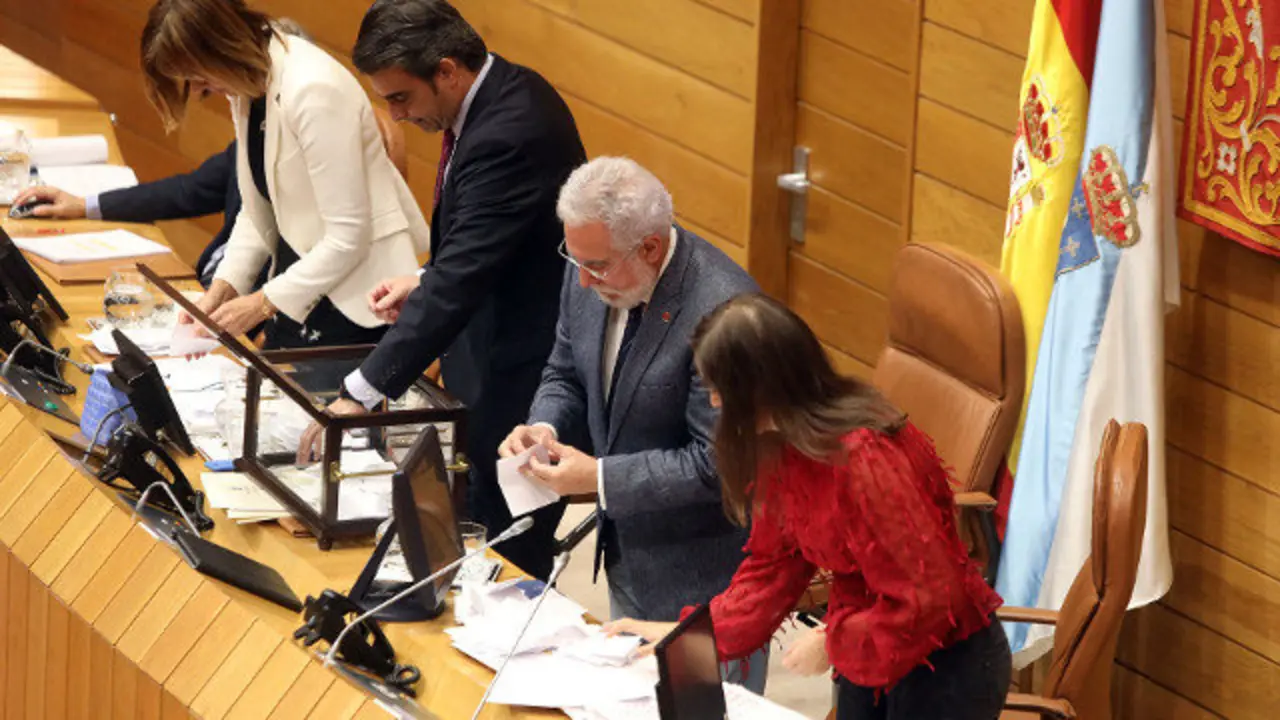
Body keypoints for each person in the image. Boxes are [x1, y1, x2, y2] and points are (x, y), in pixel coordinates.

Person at [607, 294, 1013, 720]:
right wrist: (689, 636)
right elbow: (770, 570)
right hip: (871, 648)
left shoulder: (866, 459)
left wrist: (833, 643)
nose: (714, 403)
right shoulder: (782, 449)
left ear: (760, 387)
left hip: (944, 666)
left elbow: (928, 597)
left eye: (719, 389)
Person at [296, 0, 585, 580]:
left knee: (504, 551)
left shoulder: (511, 130)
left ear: (447, 71)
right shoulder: (502, 94)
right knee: (471, 528)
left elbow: (462, 278)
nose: (396, 116)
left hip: (522, 374)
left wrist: (359, 393)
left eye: (401, 97)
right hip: (490, 351)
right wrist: (424, 279)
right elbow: (483, 243)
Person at [498, 157, 767, 691]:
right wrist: (544, 427)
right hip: (628, 553)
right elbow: (564, 372)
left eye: (596, 266)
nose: (582, 279)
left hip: (705, 579)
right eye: (575, 259)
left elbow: (719, 465)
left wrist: (598, 478)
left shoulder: (726, 312)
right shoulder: (590, 267)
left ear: (649, 247)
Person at [141, 0, 428, 350]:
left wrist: (259, 304)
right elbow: (258, 208)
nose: (200, 90)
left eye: (200, 77)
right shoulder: (248, 82)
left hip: (360, 300)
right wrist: (222, 289)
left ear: (222, 46)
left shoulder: (313, 89)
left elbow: (349, 236)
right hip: (300, 284)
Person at [10, 18, 313, 289]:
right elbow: (185, 191)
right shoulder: (250, 141)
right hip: (211, 291)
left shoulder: (309, 168)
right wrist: (83, 205)